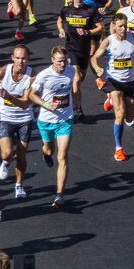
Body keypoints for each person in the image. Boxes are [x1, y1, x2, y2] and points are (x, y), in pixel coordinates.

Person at [26, 46, 79, 208]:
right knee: (50, 149)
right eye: (60, 61)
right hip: (46, 120)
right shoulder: (44, 75)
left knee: (62, 156)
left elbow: (74, 88)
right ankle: (46, 152)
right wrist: (46, 104)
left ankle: (59, 195)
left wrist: (77, 101)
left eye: (65, 61)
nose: (63, 64)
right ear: (52, 60)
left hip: (65, 119)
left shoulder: (71, 71)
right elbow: (31, 94)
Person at [91, 13, 134, 161]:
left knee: (129, 118)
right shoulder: (108, 41)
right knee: (120, 115)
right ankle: (119, 148)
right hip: (114, 81)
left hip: (130, 82)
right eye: (121, 26)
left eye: (125, 25)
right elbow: (94, 57)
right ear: (114, 27)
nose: (124, 29)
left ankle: (109, 99)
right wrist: (97, 68)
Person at [0, 45, 34, 199]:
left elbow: (25, 103)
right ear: (12, 58)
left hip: (25, 119)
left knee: (21, 156)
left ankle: (19, 185)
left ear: (28, 59)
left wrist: (9, 97)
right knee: (6, 153)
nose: (21, 61)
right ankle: (6, 162)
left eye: (24, 58)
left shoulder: (32, 77)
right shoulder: (2, 72)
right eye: (18, 58)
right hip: (6, 118)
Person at [56, 0, 104, 124]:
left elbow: (101, 28)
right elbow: (60, 19)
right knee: (76, 79)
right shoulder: (67, 10)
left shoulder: (91, 10)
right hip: (71, 48)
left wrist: (88, 32)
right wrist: (61, 30)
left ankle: (73, 97)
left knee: (81, 78)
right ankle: (78, 109)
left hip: (85, 49)